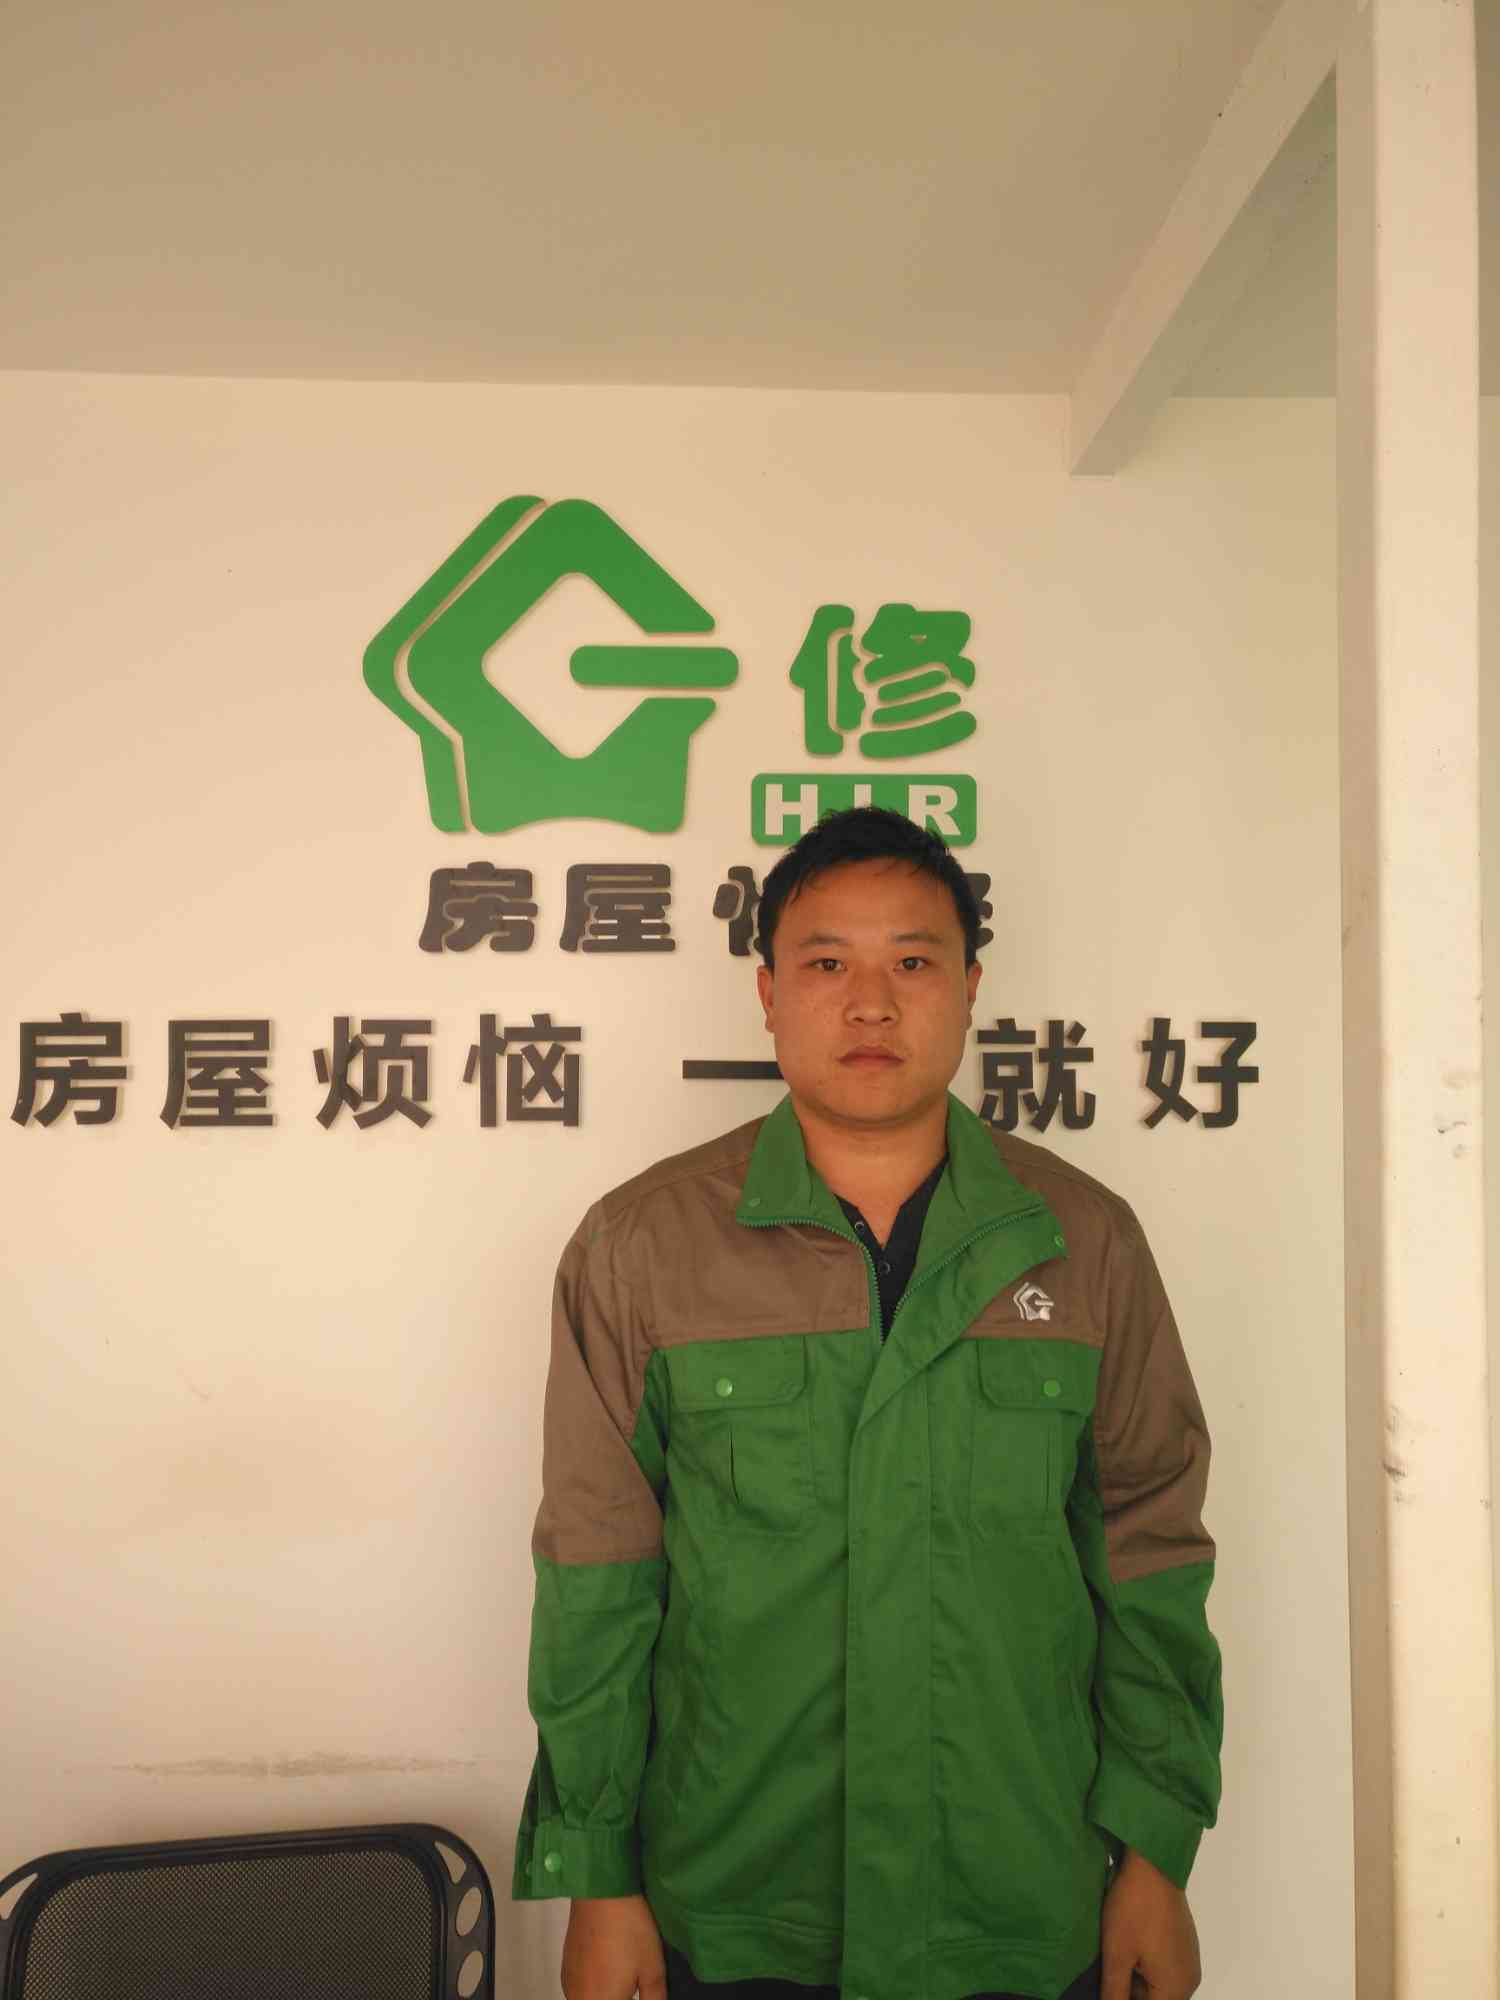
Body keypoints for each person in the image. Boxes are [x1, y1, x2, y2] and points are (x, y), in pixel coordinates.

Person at [514, 807, 1222, 2000]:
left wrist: (1156, 1846)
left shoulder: (1081, 1240)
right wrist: (599, 1873)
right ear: (768, 992)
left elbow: (1152, 1551)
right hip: (734, 1901)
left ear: (970, 986)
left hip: (1017, 1893)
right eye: (828, 962)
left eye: (913, 961)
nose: (872, 1004)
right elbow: (598, 1577)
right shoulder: (643, 1249)